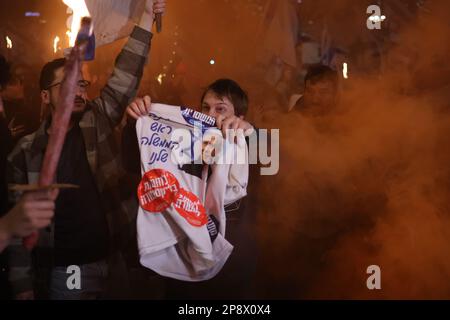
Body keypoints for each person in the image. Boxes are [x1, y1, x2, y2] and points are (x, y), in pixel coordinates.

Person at [6, 0, 166, 300]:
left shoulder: (99, 119)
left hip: (116, 260)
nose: (79, 90)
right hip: (68, 270)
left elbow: (126, 72)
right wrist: (22, 286)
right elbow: (18, 228)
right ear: (44, 96)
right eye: (67, 84)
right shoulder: (24, 154)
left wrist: (145, 18)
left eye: (81, 84)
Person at [122, 78, 259, 299]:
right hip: (185, 268)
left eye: (220, 109)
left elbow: (277, 162)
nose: (211, 115)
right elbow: (132, 163)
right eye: (205, 108)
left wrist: (251, 134)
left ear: (239, 117)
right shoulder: (184, 143)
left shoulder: (248, 148)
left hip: (232, 272)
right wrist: (134, 124)